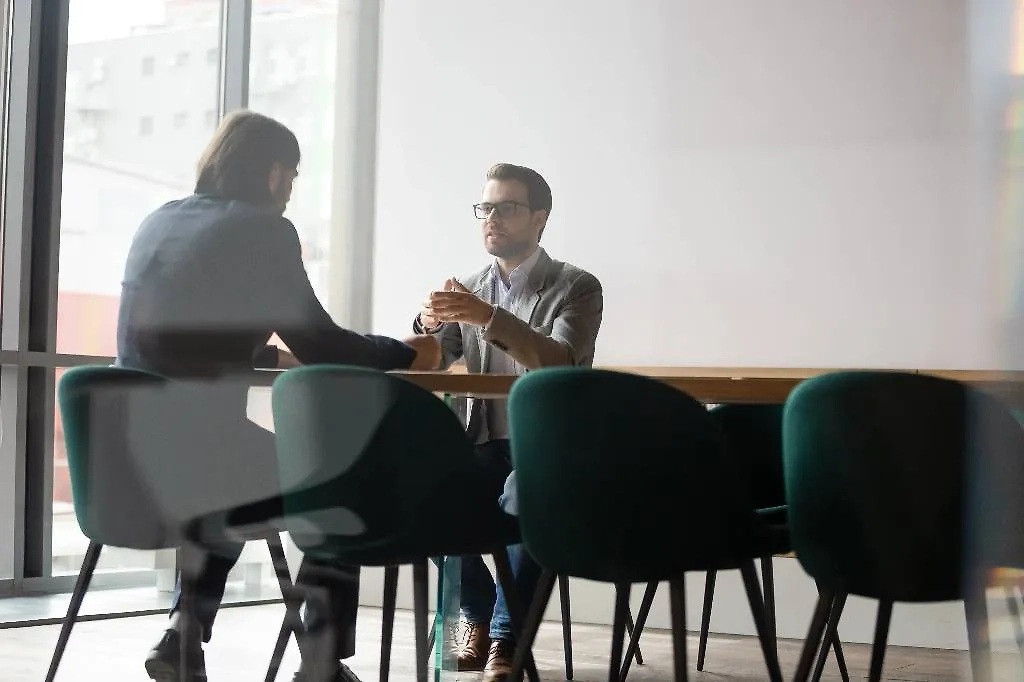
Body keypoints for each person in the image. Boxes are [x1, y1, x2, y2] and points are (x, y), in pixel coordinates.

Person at [115, 109, 441, 682]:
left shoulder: (159, 220)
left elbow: (175, 331)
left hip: (124, 453)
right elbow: (322, 343)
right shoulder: (263, 230)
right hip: (202, 448)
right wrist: (408, 352)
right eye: (292, 175)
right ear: (272, 172)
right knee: (344, 480)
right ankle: (319, 662)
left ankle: (182, 635)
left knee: (239, 477)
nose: (291, 190)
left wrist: (264, 355)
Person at [413, 163, 603, 682]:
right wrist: (427, 322)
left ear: (539, 218)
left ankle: (506, 637)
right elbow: (434, 356)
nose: (491, 218)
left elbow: (560, 360)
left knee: (529, 488)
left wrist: (485, 316)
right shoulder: (472, 286)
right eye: (485, 207)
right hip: (483, 443)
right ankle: (475, 614)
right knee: (423, 487)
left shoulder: (576, 286)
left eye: (507, 207)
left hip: (549, 450)